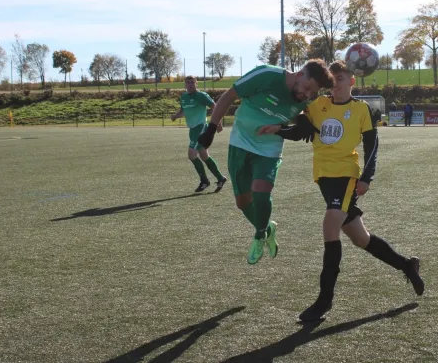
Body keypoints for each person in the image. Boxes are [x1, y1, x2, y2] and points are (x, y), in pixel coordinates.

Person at [260, 60, 424, 321]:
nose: (336, 85)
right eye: (333, 81)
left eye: (342, 80)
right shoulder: (318, 105)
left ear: (352, 82)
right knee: (361, 239)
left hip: (346, 176)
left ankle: (324, 301)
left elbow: (372, 146)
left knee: (329, 228)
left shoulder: (361, 110)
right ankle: (407, 265)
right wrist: (278, 129)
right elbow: (301, 131)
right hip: (323, 177)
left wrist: (366, 177)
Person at [197, 60, 334, 265]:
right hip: (240, 142)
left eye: (311, 93)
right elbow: (229, 96)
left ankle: (260, 234)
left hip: (269, 149)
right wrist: (210, 129)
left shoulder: (304, 98)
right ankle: (268, 227)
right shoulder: (266, 75)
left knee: (261, 191)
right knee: (243, 202)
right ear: (299, 74)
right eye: (306, 88)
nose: (306, 95)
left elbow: (304, 113)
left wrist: (303, 120)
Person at [170, 76, 227, 193]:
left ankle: (204, 181)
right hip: (192, 129)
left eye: (193, 82)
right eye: (188, 82)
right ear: (185, 85)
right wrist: (175, 116)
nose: (190, 84)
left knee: (192, 155)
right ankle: (220, 178)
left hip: (201, 128)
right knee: (204, 156)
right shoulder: (184, 97)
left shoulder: (201, 96)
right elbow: (183, 111)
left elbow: (215, 107)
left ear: (197, 84)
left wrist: (217, 123)